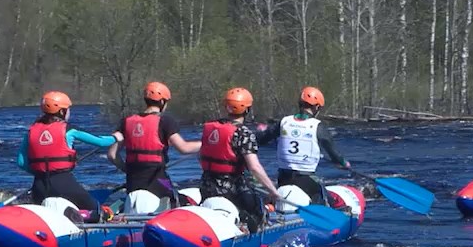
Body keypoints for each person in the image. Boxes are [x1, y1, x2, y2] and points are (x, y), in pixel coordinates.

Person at [17, 91, 121, 223]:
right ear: (62, 112)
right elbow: (100, 142)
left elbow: (21, 162)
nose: (69, 112)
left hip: (39, 187)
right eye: (68, 109)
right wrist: (116, 137)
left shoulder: (31, 131)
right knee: (96, 210)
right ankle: (84, 216)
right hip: (64, 184)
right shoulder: (69, 130)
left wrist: (41, 171)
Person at [199, 87, 281, 233]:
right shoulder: (243, 133)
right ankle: (252, 230)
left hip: (207, 187)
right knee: (258, 206)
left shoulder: (210, 128)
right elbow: (255, 168)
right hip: (232, 190)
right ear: (247, 110)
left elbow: (202, 156)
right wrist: (273, 191)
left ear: (227, 107)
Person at [254, 86, 350, 207]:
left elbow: (262, 139)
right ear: (316, 107)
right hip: (306, 180)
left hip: (283, 179)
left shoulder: (284, 122)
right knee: (326, 199)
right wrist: (343, 163)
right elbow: (334, 154)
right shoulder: (317, 126)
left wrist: (259, 132)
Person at [106, 81, 200, 206]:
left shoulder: (126, 121)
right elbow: (184, 148)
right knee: (182, 201)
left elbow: (112, 155)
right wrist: (206, 144)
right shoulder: (165, 121)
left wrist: (127, 169)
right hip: (157, 180)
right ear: (162, 102)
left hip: (133, 182)